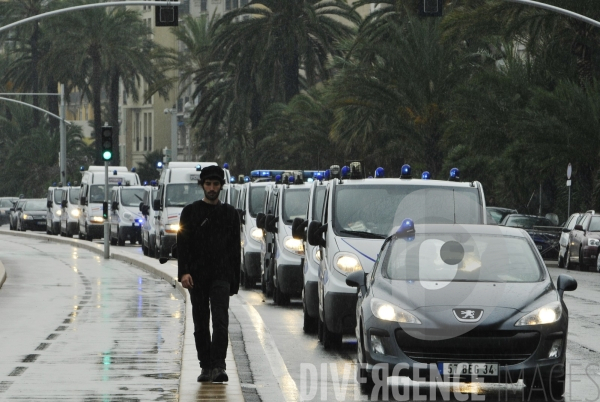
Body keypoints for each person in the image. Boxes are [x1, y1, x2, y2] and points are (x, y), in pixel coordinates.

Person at [177, 165, 240, 383]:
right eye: (208, 184)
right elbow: (182, 245)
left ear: (221, 186)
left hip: (221, 276)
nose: (212, 188)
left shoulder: (230, 214)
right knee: (200, 323)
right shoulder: (190, 212)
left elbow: (234, 250)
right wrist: (183, 272)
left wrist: (235, 281)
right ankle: (205, 366)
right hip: (197, 277)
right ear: (202, 186)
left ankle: (219, 366)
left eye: (215, 184)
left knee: (221, 322)